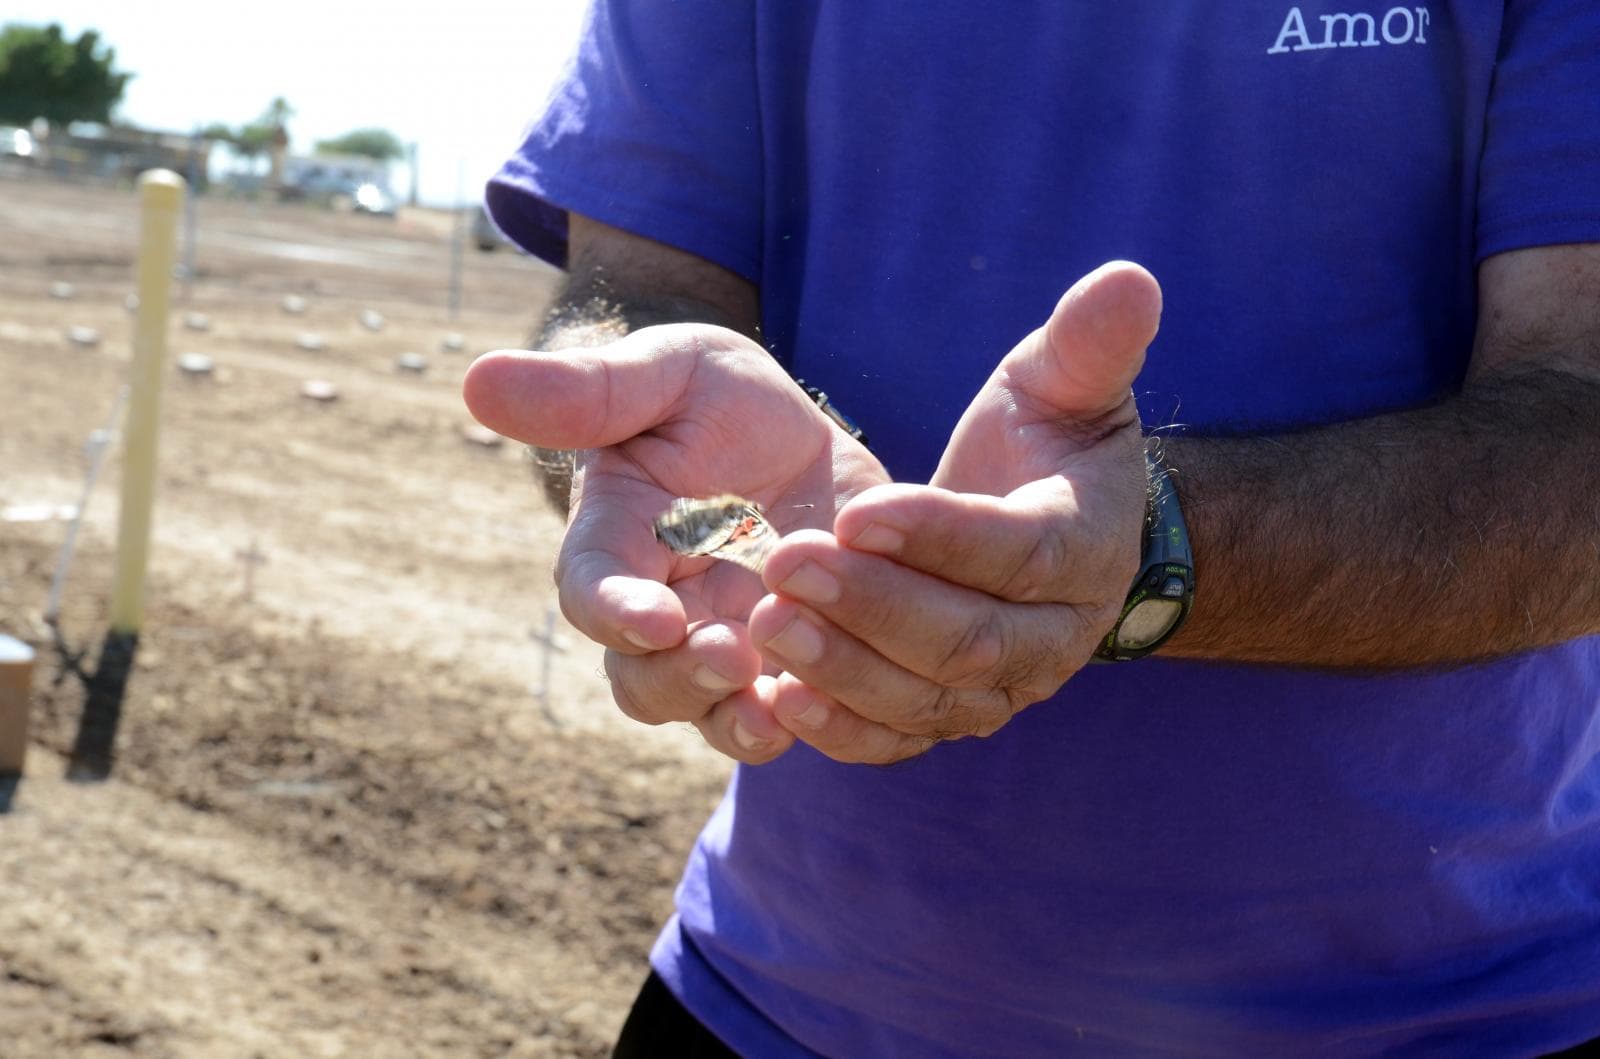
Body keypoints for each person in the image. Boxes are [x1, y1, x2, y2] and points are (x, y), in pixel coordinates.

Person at [462, 3, 1600, 1055]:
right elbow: (629, 294)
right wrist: (622, 414)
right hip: (776, 996)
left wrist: (1144, 545)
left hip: (1459, 1018)